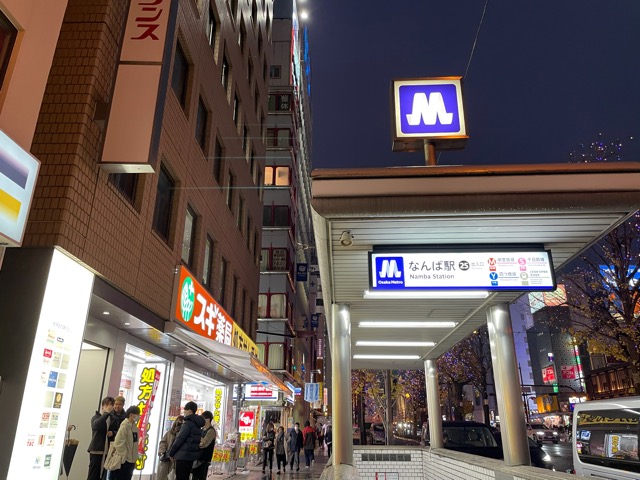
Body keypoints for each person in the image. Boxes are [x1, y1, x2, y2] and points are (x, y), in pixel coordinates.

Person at [168, 401, 205, 480]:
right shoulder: (197, 424)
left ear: (190, 411)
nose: (184, 412)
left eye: (185, 410)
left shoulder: (188, 423)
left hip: (183, 456)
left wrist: (171, 453)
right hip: (190, 457)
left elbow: (180, 439)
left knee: (181, 477)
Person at [87, 396, 114, 480]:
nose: (109, 407)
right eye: (107, 405)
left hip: (107, 451)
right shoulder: (95, 417)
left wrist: (113, 433)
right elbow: (97, 425)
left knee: (103, 475)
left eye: (111, 405)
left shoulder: (112, 419)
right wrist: (106, 413)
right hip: (96, 450)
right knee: (93, 474)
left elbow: (117, 430)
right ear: (102, 406)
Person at [112, 406, 140, 480]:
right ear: (131, 415)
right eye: (137, 414)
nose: (139, 416)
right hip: (123, 461)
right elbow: (118, 443)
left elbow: (135, 444)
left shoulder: (135, 428)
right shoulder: (124, 427)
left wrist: (135, 458)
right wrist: (124, 456)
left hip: (132, 461)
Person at [157, 416, 184, 480]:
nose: (178, 424)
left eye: (180, 423)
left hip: (177, 460)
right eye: (177, 422)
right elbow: (163, 442)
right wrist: (161, 451)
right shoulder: (169, 433)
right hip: (166, 458)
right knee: (162, 476)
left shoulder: (183, 434)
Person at [192, 411, 216, 480]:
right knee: (194, 477)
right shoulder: (202, 429)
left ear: (208, 420)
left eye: (202, 419)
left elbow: (203, 444)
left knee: (201, 477)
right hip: (197, 458)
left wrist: (197, 440)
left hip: (204, 460)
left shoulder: (211, 431)